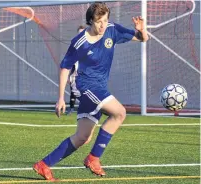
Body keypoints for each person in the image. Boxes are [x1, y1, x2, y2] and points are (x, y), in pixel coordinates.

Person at [33, 2, 148, 181]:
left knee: (82, 137)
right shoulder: (80, 42)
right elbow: (65, 67)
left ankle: (43, 164)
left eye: (104, 20)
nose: (102, 25)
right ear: (90, 21)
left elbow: (142, 38)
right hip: (86, 86)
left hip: (100, 87)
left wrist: (142, 29)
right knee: (119, 113)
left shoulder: (111, 30)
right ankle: (93, 159)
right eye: (98, 21)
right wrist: (60, 98)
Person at [66, 25, 86, 115]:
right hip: (75, 71)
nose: (81, 34)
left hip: (85, 72)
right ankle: (71, 108)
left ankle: (86, 108)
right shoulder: (74, 45)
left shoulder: (90, 44)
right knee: (73, 90)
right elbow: (69, 62)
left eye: (83, 32)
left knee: (85, 91)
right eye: (79, 32)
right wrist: (68, 75)